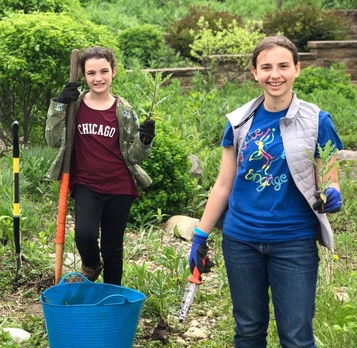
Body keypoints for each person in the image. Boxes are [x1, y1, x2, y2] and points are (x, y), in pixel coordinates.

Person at [188, 36, 343, 348]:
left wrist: (331, 192)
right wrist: (200, 235)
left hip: (294, 242)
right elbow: (223, 184)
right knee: (247, 331)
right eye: (266, 67)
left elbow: (329, 178)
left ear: (297, 69)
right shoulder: (239, 121)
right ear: (254, 73)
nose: (276, 74)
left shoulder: (317, 121)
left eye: (283, 66)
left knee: (297, 337)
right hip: (240, 240)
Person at [45, 46, 155, 285]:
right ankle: (92, 265)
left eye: (103, 71)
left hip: (120, 186)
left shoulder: (125, 111)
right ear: (84, 75)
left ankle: (111, 296)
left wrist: (145, 140)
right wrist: (59, 105)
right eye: (91, 73)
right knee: (84, 235)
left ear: (113, 72)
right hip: (86, 184)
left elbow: (135, 157)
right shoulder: (75, 107)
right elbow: (52, 140)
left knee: (113, 248)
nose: (98, 78)